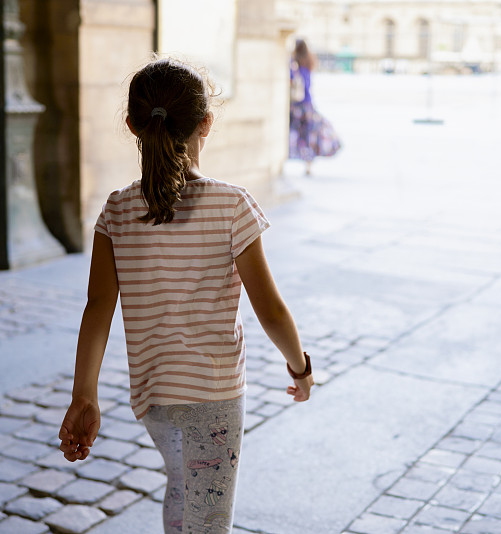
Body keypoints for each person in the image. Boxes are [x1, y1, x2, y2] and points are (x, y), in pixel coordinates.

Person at [58, 58, 315, 533]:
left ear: (132, 124)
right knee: (210, 518)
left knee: (181, 484)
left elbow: (97, 310)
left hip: (153, 397)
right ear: (206, 124)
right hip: (213, 397)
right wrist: (300, 368)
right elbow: (271, 309)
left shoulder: (117, 210)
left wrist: (84, 395)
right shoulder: (231, 205)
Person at [289, 39, 341, 175]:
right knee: (308, 135)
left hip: (296, 106)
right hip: (307, 104)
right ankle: (308, 164)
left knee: (294, 133)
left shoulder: (294, 65)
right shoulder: (308, 64)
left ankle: (290, 158)